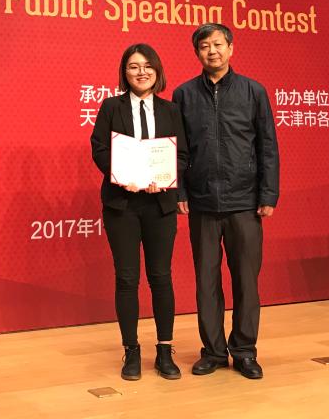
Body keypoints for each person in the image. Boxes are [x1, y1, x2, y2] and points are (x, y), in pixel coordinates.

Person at [173, 23, 279, 380]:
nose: (212, 51)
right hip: (202, 202)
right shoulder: (184, 95)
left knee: (246, 281)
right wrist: (180, 191)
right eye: (204, 46)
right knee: (206, 282)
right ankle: (214, 352)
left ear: (231, 48)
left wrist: (268, 194)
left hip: (244, 202)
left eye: (218, 44)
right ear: (197, 53)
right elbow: (179, 150)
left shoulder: (253, 91)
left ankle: (245, 351)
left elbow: (267, 147)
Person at [91, 43, 188, 381]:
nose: (141, 72)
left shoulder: (171, 110)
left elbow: (183, 155)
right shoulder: (110, 107)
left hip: (160, 204)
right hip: (122, 204)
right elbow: (99, 149)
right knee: (126, 278)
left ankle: (164, 350)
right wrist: (121, 176)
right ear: (125, 72)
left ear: (157, 71)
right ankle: (131, 351)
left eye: (147, 66)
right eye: (133, 66)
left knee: (161, 276)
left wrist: (165, 178)